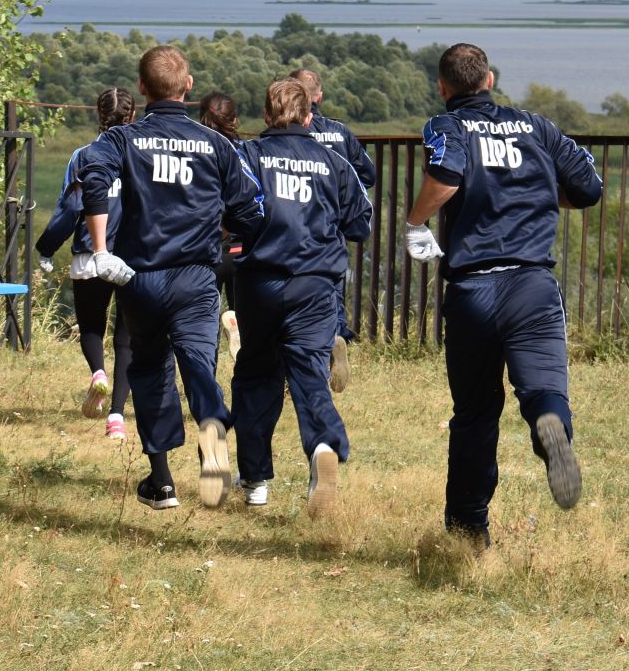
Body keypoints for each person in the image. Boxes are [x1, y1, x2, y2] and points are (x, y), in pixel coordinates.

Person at [403, 43, 603, 548]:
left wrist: (414, 220)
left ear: (444, 87)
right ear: (489, 79)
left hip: (473, 288)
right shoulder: (537, 127)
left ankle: (469, 530)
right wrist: (535, 188)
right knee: (542, 389)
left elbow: (445, 176)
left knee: (474, 413)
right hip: (532, 285)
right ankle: (548, 425)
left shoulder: (445, 127)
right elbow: (588, 187)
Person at [79, 45, 266, 510]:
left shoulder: (125, 139)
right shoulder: (218, 145)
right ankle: (215, 452)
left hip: (140, 278)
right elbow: (251, 208)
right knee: (200, 366)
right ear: (188, 87)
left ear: (142, 88)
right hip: (197, 279)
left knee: (149, 369)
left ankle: (161, 483)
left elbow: (92, 175)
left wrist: (101, 250)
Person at [230, 78, 372, 515]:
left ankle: (255, 481)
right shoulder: (334, 162)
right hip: (315, 284)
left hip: (259, 281)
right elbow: (360, 224)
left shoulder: (247, 156)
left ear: (267, 115)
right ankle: (323, 447)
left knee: (256, 374)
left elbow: (231, 209)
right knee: (310, 372)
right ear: (309, 115)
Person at [35, 87, 137, 440]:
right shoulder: (139, 154)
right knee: (126, 340)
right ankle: (117, 419)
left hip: (89, 255)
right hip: (131, 256)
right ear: (133, 115)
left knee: (91, 326)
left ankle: (98, 374)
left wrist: (46, 248)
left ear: (98, 115)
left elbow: (70, 208)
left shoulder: (82, 156)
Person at [288, 68, 375, 392]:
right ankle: (333, 338)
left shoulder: (285, 135)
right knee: (330, 291)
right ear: (319, 96)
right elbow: (367, 174)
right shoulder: (340, 133)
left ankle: (299, 366)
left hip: (291, 225)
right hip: (332, 228)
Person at [195, 91, 248, 360]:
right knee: (248, 317)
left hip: (206, 249)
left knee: (205, 323)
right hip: (241, 248)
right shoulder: (245, 154)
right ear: (235, 121)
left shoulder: (195, 153)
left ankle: (208, 381)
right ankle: (239, 330)